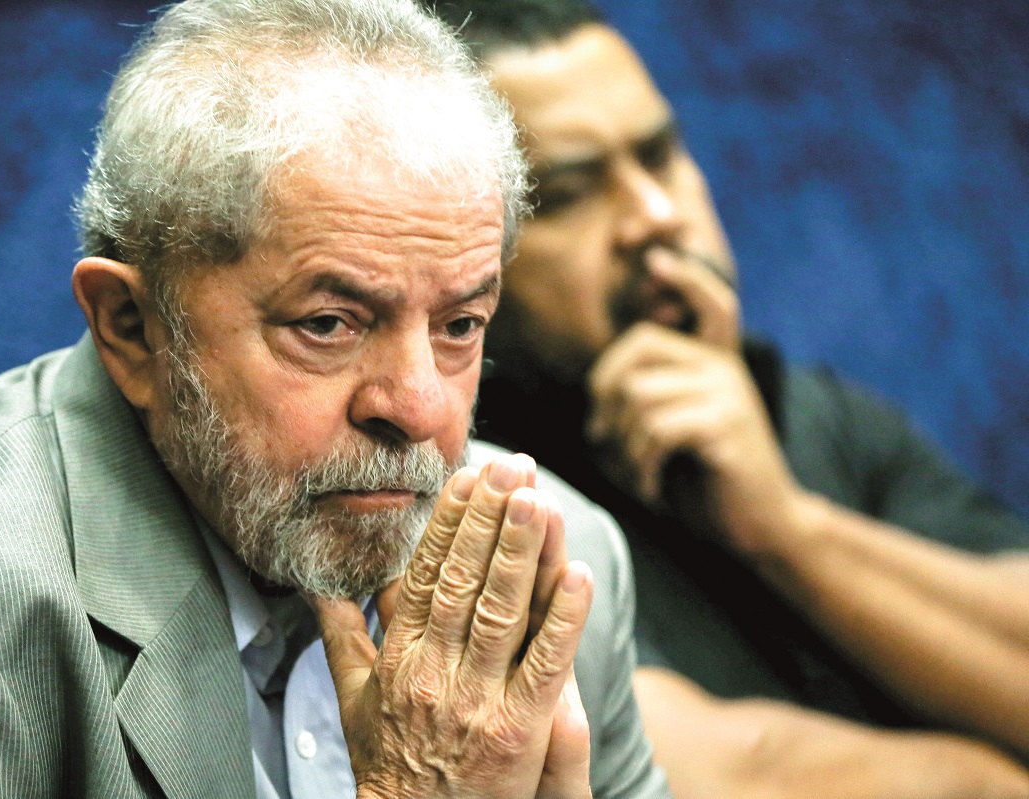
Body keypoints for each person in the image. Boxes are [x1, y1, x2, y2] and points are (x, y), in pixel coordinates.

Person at [0, 1, 672, 797]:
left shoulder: (555, 572)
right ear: (133, 327)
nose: (419, 409)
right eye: (329, 323)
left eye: (459, 324)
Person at [417, 0, 1029, 796]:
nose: (656, 216)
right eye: (567, 194)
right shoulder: (471, 490)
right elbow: (715, 772)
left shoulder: (811, 411)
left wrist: (789, 530)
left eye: (660, 155)